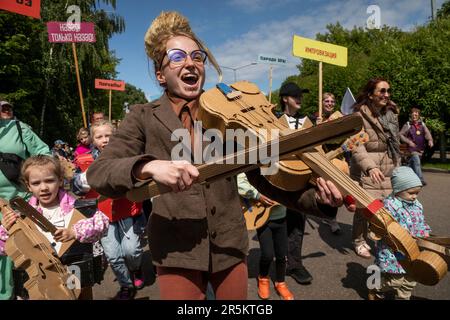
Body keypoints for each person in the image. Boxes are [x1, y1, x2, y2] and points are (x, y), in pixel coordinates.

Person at [86, 11, 353, 300]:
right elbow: (99, 173)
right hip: (176, 250)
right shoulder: (142, 116)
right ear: (160, 75)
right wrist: (149, 167)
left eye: (196, 56)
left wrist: (321, 201)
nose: (190, 62)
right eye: (176, 57)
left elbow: (268, 179)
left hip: (228, 245)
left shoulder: (227, 111)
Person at [0, 155, 109, 299]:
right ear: (28, 186)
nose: (44, 187)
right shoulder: (23, 215)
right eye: (36, 183)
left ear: (60, 180)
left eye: (49, 181)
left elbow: (102, 223)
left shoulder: (75, 207)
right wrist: (8, 230)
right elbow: (5, 249)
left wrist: (74, 232)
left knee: (75, 296)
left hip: (74, 271)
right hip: (43, 278)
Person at [72, 120, 146, 300]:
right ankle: (126, 285)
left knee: (132, 251)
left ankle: (136, 269)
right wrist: (82, 181)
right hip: (102, 216)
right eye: (99, 136)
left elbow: (142, 178)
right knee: (113, 256)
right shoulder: (84, 160)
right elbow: (74, 187)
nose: (104, 140)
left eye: (108, 135)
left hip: (128, 210)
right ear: (92, 139)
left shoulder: (127, 154)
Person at [0, 101, 51, 300]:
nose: (4, 110)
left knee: (28, 253)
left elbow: (44, 154)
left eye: (5, 107)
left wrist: (34, 177)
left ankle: (31, 292)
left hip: (22, 204)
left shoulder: (18, 128)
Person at [350, 78, 401, 259]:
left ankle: (384, 237)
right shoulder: (358, 116)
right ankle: (359, 240)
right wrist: (369, 167)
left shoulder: (390, 115)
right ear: (370, 95)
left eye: (388, 91)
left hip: (387, 167)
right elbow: (355, 144)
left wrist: (398, 167)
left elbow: (394, 143)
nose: (386, 95)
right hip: (367, 169)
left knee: (387, 206)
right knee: (365, 208)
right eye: (382, 91)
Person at [369, 166, 429, 300]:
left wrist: (425, 232)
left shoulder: (417, 204)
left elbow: (420, 221)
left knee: (411, 279)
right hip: (394, 251)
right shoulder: (388, 206)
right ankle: (375, 287)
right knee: (396, 281)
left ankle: (403, 298)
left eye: (417, 193)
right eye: (411, 193)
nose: (414, 196)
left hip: (413, 248)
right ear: (398, 190)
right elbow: (375, 223)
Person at [237, 173, 294, 300]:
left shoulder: (281, 164)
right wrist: (258, 195)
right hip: (262, 218)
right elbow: (239, 182)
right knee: (267, 254)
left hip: (281, 217)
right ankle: (263, 278)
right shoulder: (254, 162)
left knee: (282, 254)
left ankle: (281, 282)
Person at [399, 106, 433, 186]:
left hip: (420, 149)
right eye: (413, 115)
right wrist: (409, 141)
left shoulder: (422, 124)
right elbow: (400, 135)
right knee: (417, 162)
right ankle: (420, 180)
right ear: (410, 115)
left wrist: (430, 140)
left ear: (419, 116)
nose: (414, 116)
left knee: (411, 165)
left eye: (416, 115)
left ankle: (407, 178)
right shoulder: (407, 124)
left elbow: (427, 133)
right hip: (411, 149)